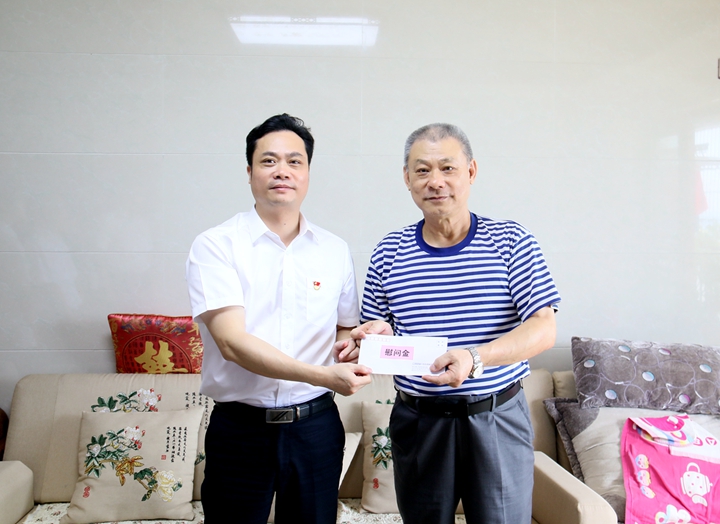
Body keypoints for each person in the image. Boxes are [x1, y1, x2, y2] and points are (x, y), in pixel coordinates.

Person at [335, 123, 561, 524]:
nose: (435, 181)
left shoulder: (511, 241)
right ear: (407, 178)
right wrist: (374, 337)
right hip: (419, 421)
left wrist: (475, 357)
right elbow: (379, 330)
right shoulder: (389, 251)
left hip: (496, 417)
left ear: (471, 172)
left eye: (448, 168)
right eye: (422, 170)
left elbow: (543, 328)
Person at [186, 113, 372, 524]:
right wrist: (324, 376)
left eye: (294, 161)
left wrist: (355, 343)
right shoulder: (216, 245)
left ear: (307, 173)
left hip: (316, 428)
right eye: (268, 161)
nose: (282, 171)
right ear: (249, 172)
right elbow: (232, 343)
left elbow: (344, 327)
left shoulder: (334, 250)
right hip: (240, 429)